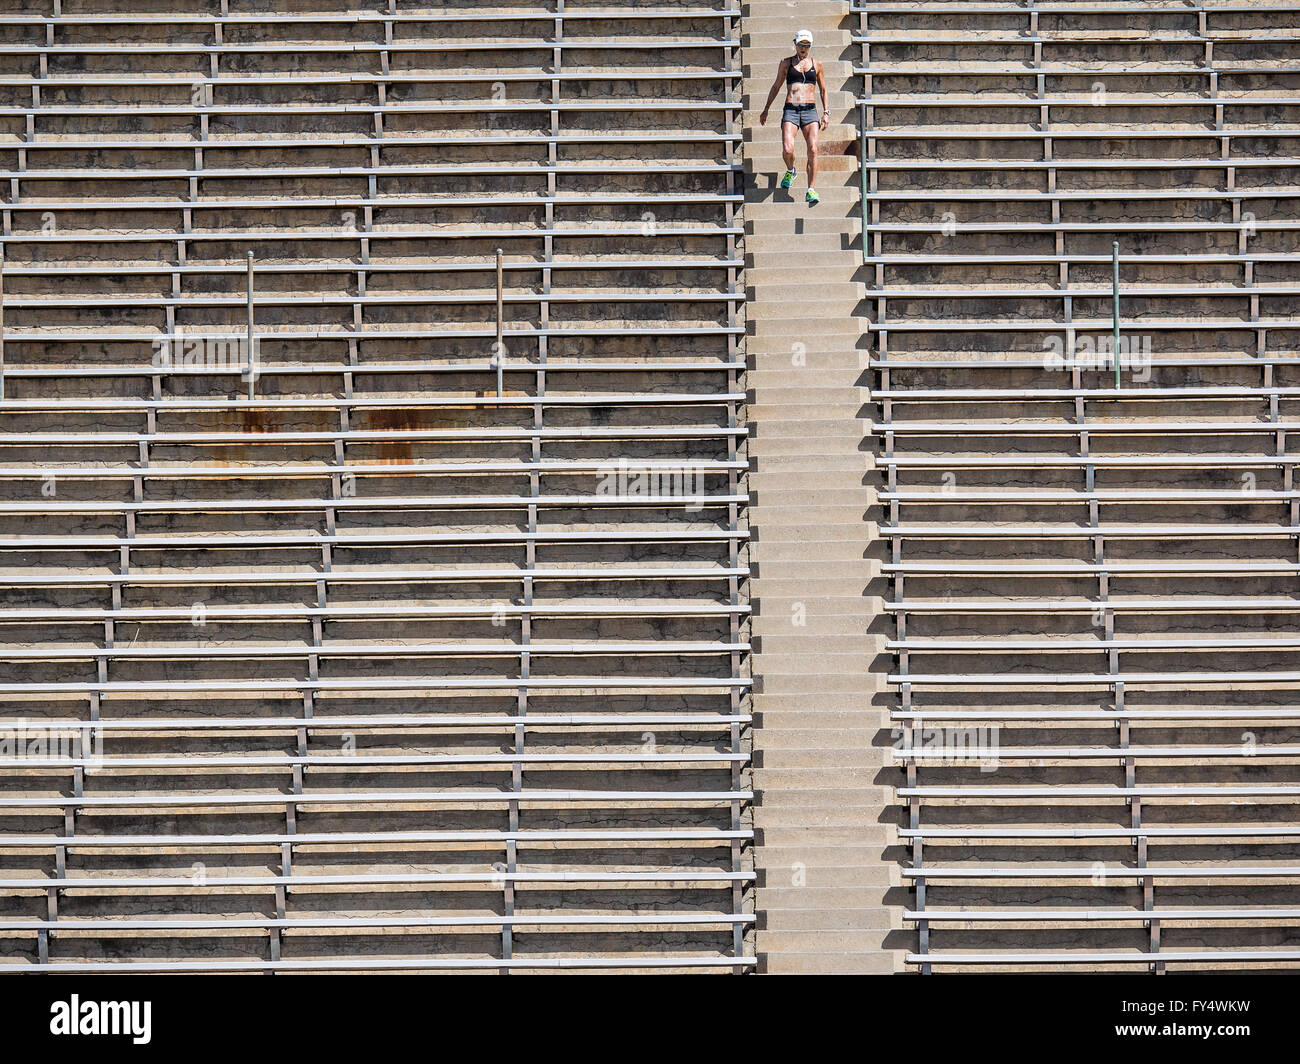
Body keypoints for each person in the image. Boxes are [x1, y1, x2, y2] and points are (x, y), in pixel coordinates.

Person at [758, 29, 830, 205]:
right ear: (795, 44)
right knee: (788, 149)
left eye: (807, 45)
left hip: (810, 110)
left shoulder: (817, 64)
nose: (804, 48)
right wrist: (766, 108)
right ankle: (791, 170)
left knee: (813, 149)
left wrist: (826, 112)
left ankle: (811, 189)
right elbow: (776, 86)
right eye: (801, 45)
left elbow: (823, 90)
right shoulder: (785, 63)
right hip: (791, 109)